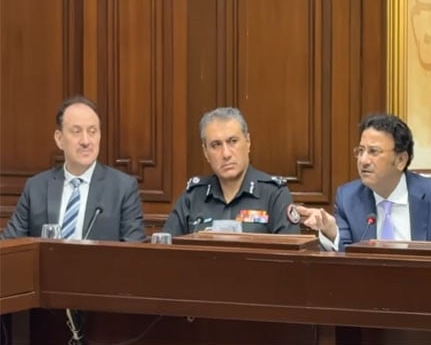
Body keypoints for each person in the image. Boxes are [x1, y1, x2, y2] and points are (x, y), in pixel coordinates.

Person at [297, 113, 431, 251]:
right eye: (361, 151)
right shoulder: (348, 198)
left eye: (374, 151)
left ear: (401, 160)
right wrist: (331, 231)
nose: (363, 160)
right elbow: (346, 257)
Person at [1, 96, 146, 241]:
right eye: (76, 131)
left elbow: (134, 249)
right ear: (59, 139)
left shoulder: (123, 188)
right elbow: (10, 245)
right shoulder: (36, 187)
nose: (86, 141)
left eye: (92, 131)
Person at [162, 107, 299, 236]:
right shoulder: (193, 196)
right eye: (216, 145)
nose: (226, 154)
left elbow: (289, 250)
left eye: (233, 141)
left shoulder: (274, 194)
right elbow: (165, 247)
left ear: (248, 142)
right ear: (205, 152)